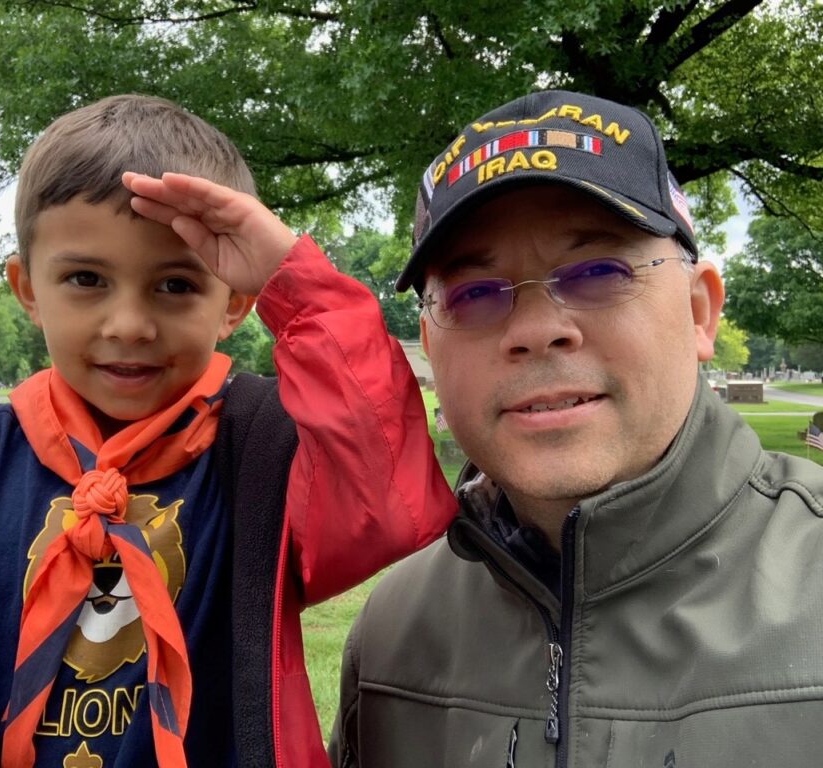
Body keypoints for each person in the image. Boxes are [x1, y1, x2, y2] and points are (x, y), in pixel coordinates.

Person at [0, 94, 455, 768]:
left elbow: (386, 500)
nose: (129, 323)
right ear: (27, 288)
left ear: (235, 301)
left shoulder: (262, 453)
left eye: (176, 285)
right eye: (85, 279)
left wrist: (294, 281)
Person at [329, 89, 823, 767]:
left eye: (597, 272)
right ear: (429, 345)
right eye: (475, 294)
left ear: (700, 311)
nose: (535, 330)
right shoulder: (394, 636)